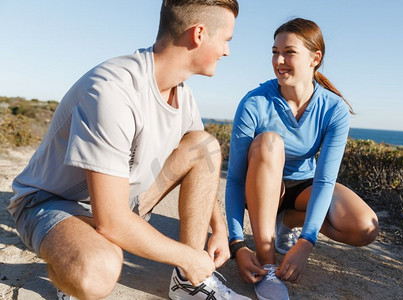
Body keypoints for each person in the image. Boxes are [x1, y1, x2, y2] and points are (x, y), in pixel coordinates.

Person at [8, 1, 251, 299]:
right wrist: (188, 256)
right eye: (226, 40)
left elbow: (203, 162)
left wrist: (220, 230)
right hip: (50, 203)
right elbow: (111, 220)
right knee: (97, 268)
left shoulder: (183, 94)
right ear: (199, 34)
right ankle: (72, 267)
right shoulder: (112, 90)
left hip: (120, 199)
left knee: (205, 145)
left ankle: (188, 284)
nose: (227, 51)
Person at [225, 18, 379, 300]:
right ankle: (267, 263)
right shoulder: (254, 102)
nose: (278, 60)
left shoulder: (333, 109)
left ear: (315, 58)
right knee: (271, 142)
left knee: (363, 227)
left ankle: (286, 221)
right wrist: (237, 243)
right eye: (274, 51)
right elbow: (234, 179)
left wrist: (306, 242)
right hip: (257, 186)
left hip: (301, 187)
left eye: (289, 52)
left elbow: (324, 180)